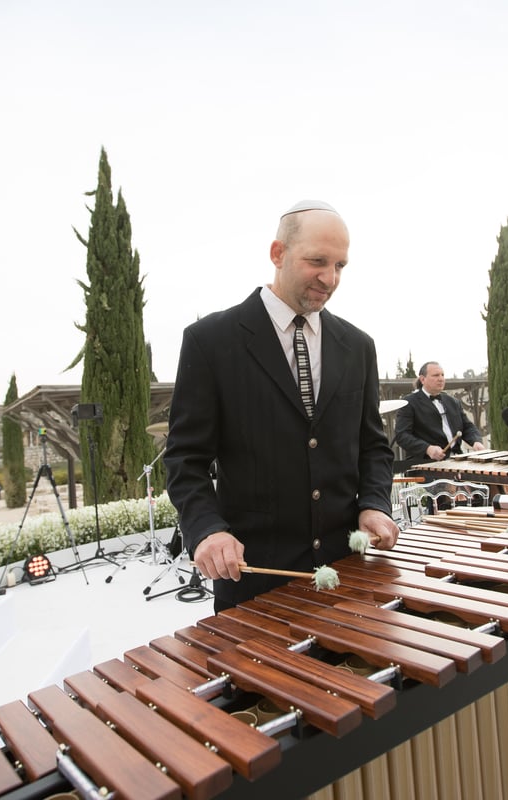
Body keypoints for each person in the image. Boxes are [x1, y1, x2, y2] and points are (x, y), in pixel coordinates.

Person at [164, 200, 399, 612]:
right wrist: (206, 530)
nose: (330, 278)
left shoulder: (359, 346)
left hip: (349, 575)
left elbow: (373, 447)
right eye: (317, 261)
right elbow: (185, 460)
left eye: (341, 265)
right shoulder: (210, 342)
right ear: (278, 254)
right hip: (255, 584)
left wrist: (374, 505)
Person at [392, 362, 486, 469]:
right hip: (425, 464)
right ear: (422, 379)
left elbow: (467, 427)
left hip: (457, 461)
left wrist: (476, 441)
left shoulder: (453, 402)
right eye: (436, 375)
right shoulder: (409, 403)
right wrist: (427, 449)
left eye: (442, 375)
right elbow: (402, 435)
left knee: (486, 483)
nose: (441, 379)